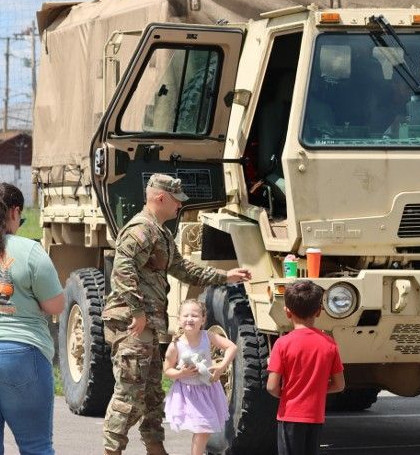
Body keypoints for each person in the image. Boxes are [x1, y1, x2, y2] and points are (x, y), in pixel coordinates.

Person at [102, 173, 252, 455]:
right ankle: (111, 451)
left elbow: (184, 269)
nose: (179, 207)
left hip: (149, 326)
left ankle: (156, 449)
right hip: (132, 324)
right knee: (129, 394)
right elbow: (122, 270)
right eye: (176, 201)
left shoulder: (161, 233)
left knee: (152, 395)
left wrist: (225, 276)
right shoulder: (140, 230)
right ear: (160, 198)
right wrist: (137, 311)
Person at [0, 182, 64, 454]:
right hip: (20, 354)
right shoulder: (29, 251)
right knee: (36, 445)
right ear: (14, 211)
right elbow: (55, 306)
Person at [267, 280, 345, 455]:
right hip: (315, 417)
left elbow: (272, 386)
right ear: (318, 311)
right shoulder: (329, 344)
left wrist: (289, 394)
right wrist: (315, 390)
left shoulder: (282, 344)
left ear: (287, 312)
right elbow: (339, 385)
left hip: (290, 416)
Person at [163, 299, 235, 455]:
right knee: (203, 429)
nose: (190, 319)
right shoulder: (176, 345)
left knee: (205, 430)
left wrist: (222, 366)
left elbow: (232, 347)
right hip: (188, 393)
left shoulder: (207, 336)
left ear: (203, 319)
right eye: (186, 315)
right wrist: (181, 373)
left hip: (208, 390)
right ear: (179, 319)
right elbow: (167, 370)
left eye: (195, 316)